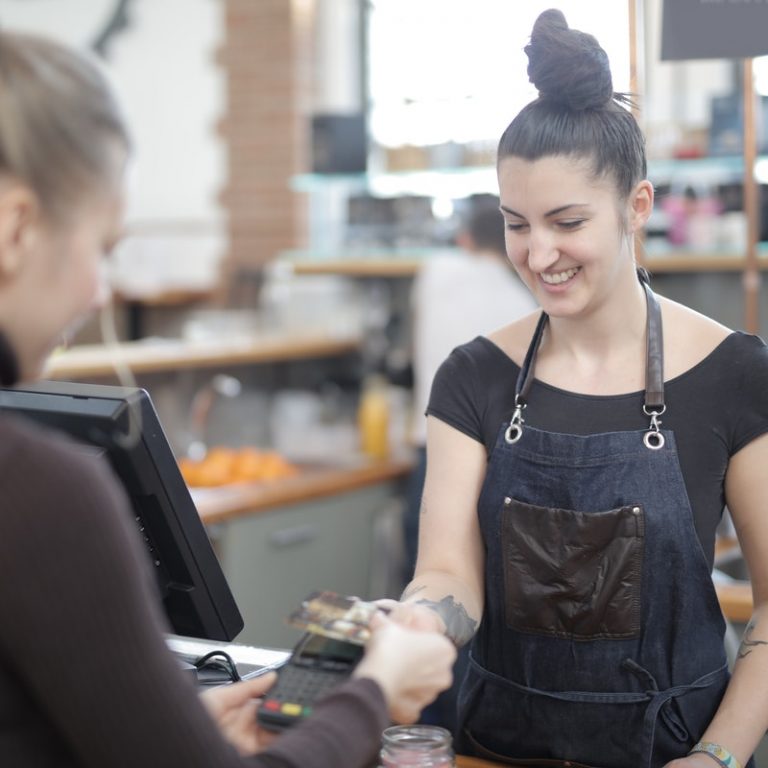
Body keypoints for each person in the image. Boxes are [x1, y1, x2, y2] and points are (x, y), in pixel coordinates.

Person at [0, 29, 455, 768]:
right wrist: (374, 693)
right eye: (101, 249)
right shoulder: (41, 493)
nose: (99, 293)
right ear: (18, 228)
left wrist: (173, 729)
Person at [386, 9, 768, 768]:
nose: (539, 255)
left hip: (677, 750)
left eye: (566, 222)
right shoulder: (473, 376)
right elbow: (448, 573)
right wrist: (418, 623)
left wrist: (717, 757)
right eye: (517, 224)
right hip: (498, 749)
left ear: (637, 206)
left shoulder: (733, 373)